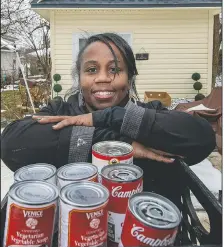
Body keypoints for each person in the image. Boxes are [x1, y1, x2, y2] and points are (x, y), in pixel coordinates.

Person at [1, 33, 215, 175]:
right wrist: (119, 144)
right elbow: (11, 144)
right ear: (80, 77)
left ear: (130, 78)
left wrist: (107, 117)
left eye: (114, 69)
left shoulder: (150, 113)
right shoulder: (59, 111)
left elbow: (202, 138)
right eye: (92, 70)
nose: (102, 78)